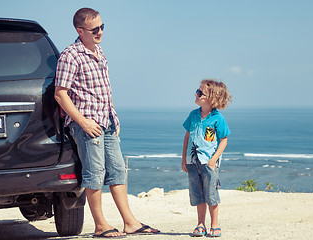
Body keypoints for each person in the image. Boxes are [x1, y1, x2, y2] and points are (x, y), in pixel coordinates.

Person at [54, 8, 159, 238]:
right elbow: (60, 94)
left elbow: (104, 90)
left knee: (118, 171)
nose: (100, 32)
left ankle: (130, 223)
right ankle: (100, 226)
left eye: (102, 26)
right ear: (79, 31)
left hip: (107, 122)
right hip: (87, 125)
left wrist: (114, 116)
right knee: (95, 174)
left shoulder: (99, 52)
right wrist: (83, 123)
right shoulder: (70, 55)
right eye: (94, 29)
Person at [182, 79, 232, 237]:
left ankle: (215, 225)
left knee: (211, 194)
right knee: (198, 194)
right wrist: (184, 159)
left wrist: (213, 160)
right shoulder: (193, 115)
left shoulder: (218, 119)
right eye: (197, 90)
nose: (196, 94)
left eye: (200, 93)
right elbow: (187, 136)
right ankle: (200, 224)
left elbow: (224, 140)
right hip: (192, 162)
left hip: (209, 164)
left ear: (212, 98)